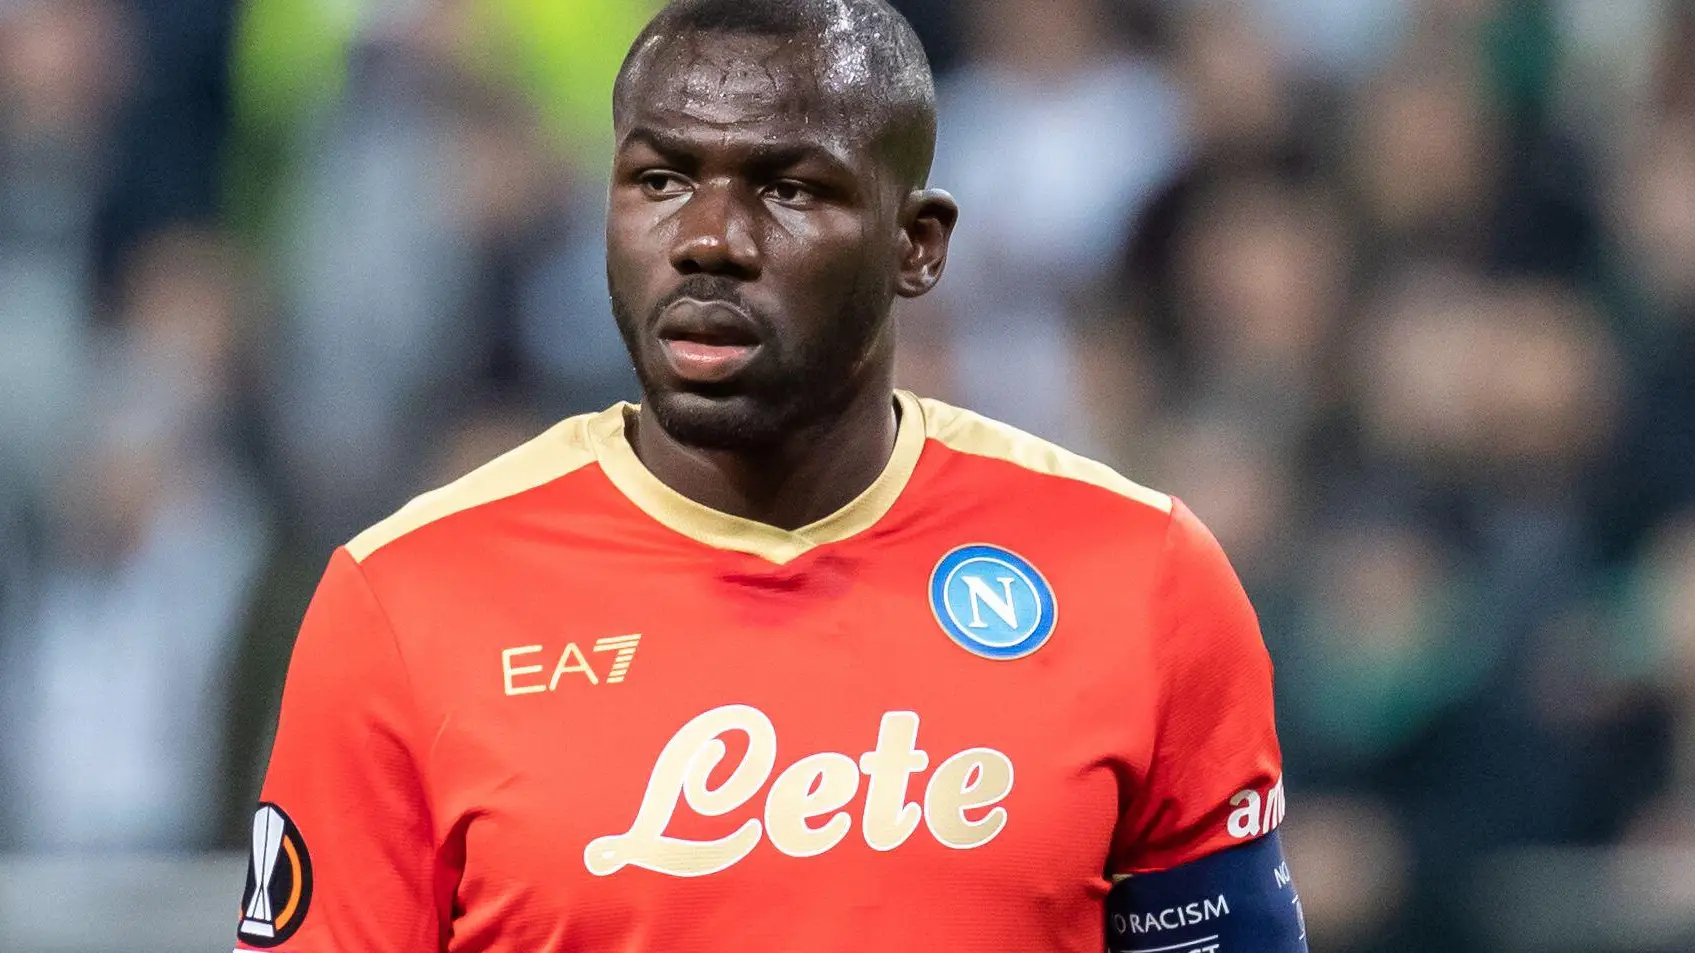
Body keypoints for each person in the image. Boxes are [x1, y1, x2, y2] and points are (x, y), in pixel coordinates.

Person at [233, 1, 1306, 951]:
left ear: (916, 246)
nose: (708, 238)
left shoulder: (1141, 577)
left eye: (788, 187)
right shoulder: (407, 600)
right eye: (659, 179)